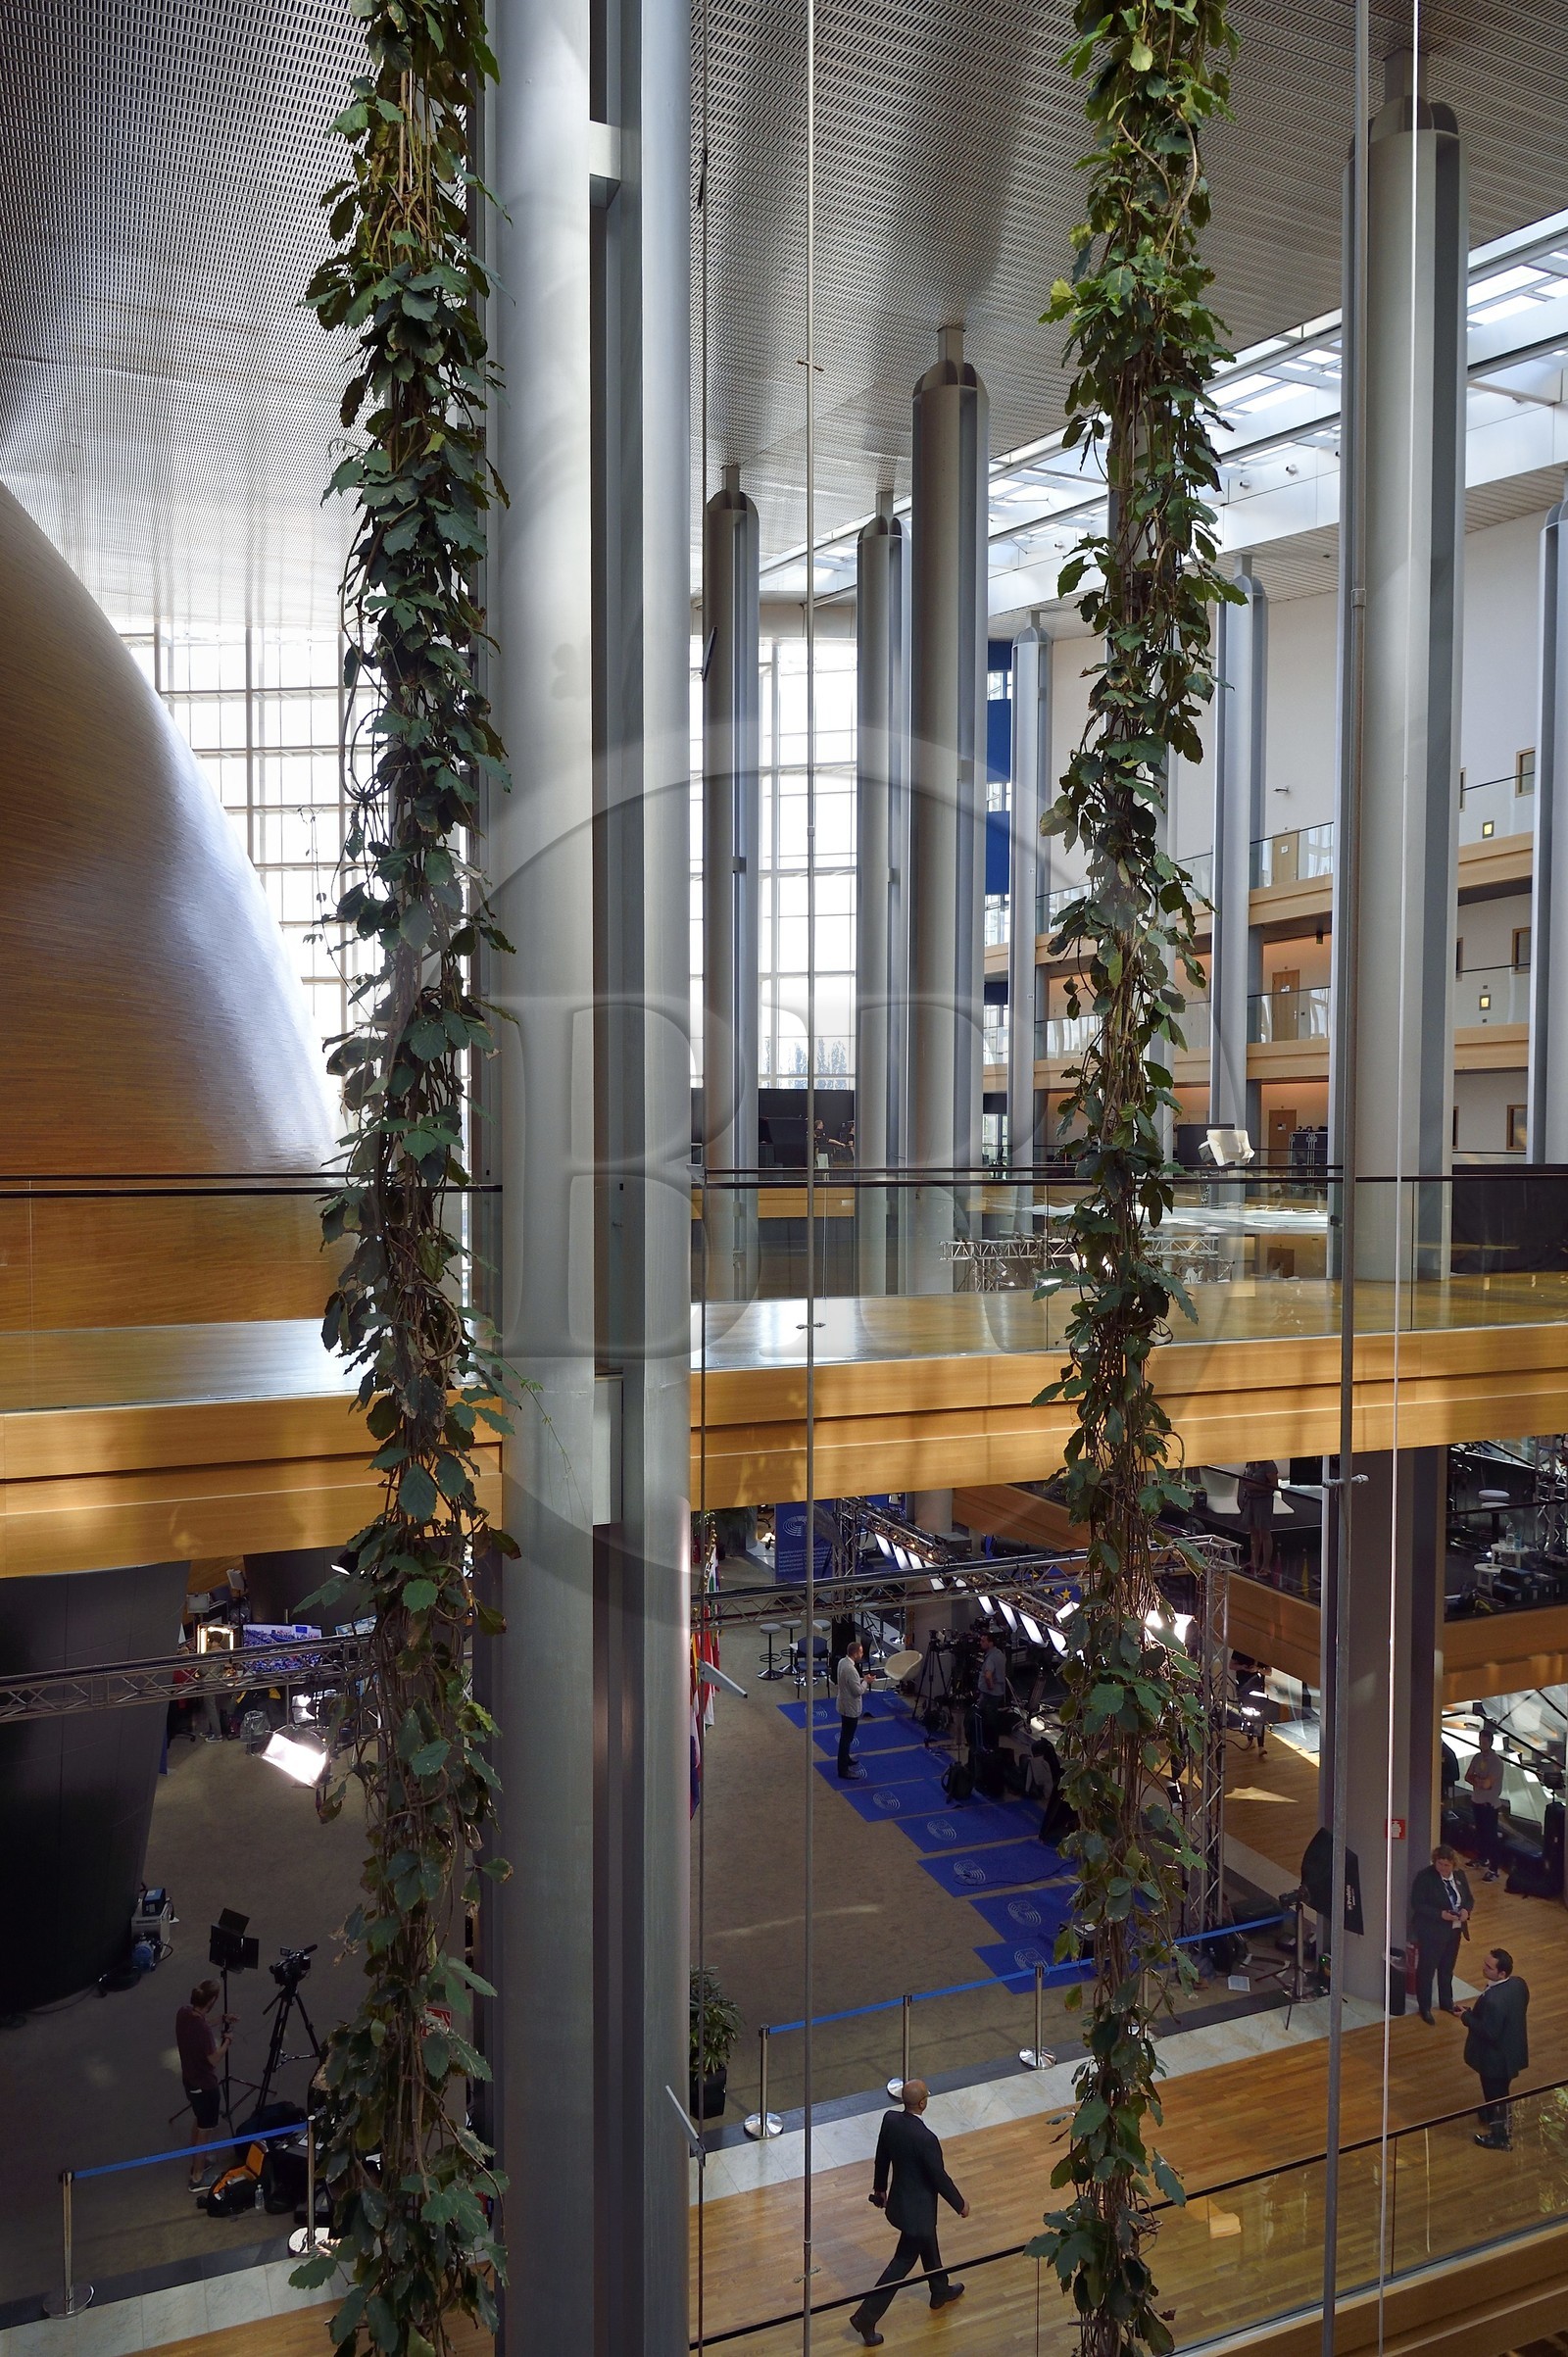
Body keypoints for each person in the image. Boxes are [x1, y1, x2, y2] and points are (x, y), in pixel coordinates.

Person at [849, 2080, 968, 2346]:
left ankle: (939, 2290)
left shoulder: (890, 2120)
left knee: (928, 2242)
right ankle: (866, 2316)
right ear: (923, 2103)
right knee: (901, 2262)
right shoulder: (927, 2139)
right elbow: (939, 2177)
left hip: (902, 2204)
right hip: (918, 2211)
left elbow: (882, 2156)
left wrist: (880, 2189)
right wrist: (960, 2204)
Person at [1458, 1946, 1529, 2149]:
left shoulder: (1494, 2000)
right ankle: (1492, 2115)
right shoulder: (1518, 1985)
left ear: (1502, 1973)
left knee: (1496, 2094)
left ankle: (1500, 2136)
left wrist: (1466, 2016)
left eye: (1489, 1967)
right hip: (1511, 2051)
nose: (1484, 1968)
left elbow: (1489, 2032)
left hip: (1495, 2060)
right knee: (1500, 2091)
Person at [175, 1979, 234, 2188]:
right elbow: (213, 2059)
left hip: (189, 2081)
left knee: (200, 2121)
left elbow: (202, 2021)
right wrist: (227, 2041)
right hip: (206, 2086)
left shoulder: (183, 2013)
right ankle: (198, 2176)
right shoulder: (203, 2031)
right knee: (206, 2129)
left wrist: (221, 2019)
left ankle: (198, 2159)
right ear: (212, 2000)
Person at [1408, 1843, 1473, 2023]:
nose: (1443, 1868)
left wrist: (1467, 1911)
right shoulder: (1425, 1877)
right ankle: (1425, 2007)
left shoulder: (1460, 1876)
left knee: (1447, 1968)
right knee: (1427, 1970)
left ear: (1453, 1864)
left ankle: (1447, 2002)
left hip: (1454, 1930)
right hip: (1432, 1931)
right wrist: (1441, 1914)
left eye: (1446, 1865)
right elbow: (1418, 1904)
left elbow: (1468, 1899)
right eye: (1439, 1864)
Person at [1465, 1724, 1506, 1882]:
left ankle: (1494, 1869)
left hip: (1489, 1805)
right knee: (1480, 1834)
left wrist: (1478, 1780)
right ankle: (1482, 1858)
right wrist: (1479, 1781)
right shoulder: (1477, 1757)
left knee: (1491, 1837)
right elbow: (1468, 1776)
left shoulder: (1496, 1762)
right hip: (1477, 1801)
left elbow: (1487, 1784)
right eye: (1480, 1741)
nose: (1481, 1744)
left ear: (1490, 1742)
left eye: (1484, 1741)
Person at [1236, 1460, 1280, 1578]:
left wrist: (1255, 1486)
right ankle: (1254, 1561)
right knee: (1253, 1531)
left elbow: (1274, 1486)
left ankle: (1266, 1566)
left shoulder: (1269, 1466)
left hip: (1263, 1501)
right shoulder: (1250, 1463)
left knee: (1264, 1532)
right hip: (1250, 1499)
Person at [836, 1639, 873, 1780]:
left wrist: (862, 1679)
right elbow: (857, 1691)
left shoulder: (842, 1662)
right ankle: (843, 1769)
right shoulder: (850, 1669)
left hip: (844, 1704)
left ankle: (846, 1759)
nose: (862, 1655)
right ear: (855, 1653)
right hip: (850, 1707)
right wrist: (866, 1681)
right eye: (861, 1652)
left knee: (847, 1736)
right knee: (846, 1738)